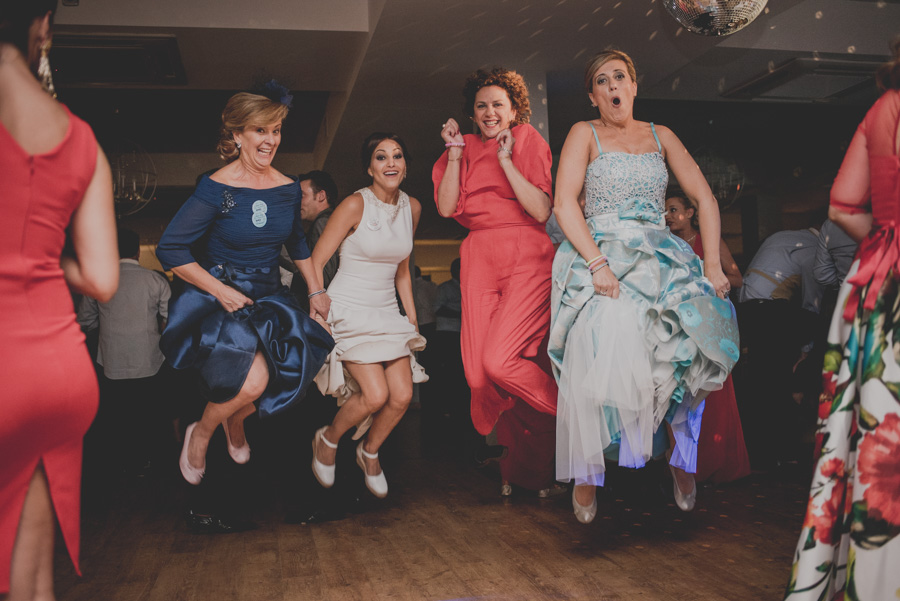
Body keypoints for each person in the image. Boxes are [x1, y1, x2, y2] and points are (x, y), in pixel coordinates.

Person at [549, 50, 739, 524]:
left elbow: (704, 198)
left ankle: (682, 457)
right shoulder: (583, 133)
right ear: (593, 96)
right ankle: (588, 469)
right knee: (600, 339)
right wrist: (596, 264)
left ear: (633, 86)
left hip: (660, 257)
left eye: (620, 77)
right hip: (603, 255)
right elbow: (564, 204)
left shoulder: (661, 135)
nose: (612, 85)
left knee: (687, 346)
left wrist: (711, 264)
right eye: (602, 80)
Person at [155, 87, 334, 485]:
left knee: (295, 371)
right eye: (260, 130)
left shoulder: (288, 187)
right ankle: (202, 432)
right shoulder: (216, 188)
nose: (271, 140)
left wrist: (316, 290)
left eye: (276, 130)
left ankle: (233, 422)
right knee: (253, 381)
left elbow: (297, 243)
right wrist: (220, 291)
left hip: (269, 295)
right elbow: (170, 248)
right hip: (225, 296)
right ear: (237, 135)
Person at [0, 2, 119, 596]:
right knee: (31, 585)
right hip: (56, 373)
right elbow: (102, 278)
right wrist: (42, 260)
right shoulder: (82, 139)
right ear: (42, 23)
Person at [784, 38, 900, 600]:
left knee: (878, 434)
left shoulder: (884, 108)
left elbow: (842, 206)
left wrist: (886, 240)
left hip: (881, 280)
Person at [433, 67, 559, 497]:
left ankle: (574, 412)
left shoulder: (526, 139)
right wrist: (454, 154)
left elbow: (540, 210)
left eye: (498, 105)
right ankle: (525, 449)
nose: (490, 112)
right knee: (477, 378)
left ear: (513, 110)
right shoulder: (464, 147)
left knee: (500, 363)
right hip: (478, 254)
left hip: (526, 251)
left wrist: (505, 159)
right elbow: (447, 208)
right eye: (482, 106)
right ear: (472, 113)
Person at [312, 132, 426, 499]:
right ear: (369, 168)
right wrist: (317, 306)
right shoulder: (354, 205)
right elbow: (316, 261)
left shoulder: (413, 207)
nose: (390, 162)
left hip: (387, 312)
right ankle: (328, 439)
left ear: (405, 165)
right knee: (375, 395)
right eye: (381, 156)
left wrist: (411, 318)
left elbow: (402, 269)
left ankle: (370, 451)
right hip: (349, 308)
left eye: (397, 155)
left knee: (402, 396)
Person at [664, 195, 750, 483]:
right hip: (679, 324)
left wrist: (704, 275)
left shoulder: (709, 242)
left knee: (712, 391)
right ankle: (684, 467)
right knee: (682, 390)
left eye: (673, 210)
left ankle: (714, 462)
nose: (667, 215)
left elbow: (736, 278)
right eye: (665, 210)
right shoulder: (665, 244)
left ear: (690, 212)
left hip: (709, 322)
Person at [77, 228, 172, 475]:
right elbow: (169, 320)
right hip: (149, 360)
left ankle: (122, 464)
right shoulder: (155, 280)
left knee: (118, 415)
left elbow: (85, 321)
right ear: (138, 251)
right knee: (149, 414)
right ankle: (150, 461)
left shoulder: (99, 282)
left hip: (111, 360)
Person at [736, 227, 824, 469]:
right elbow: (813, 300)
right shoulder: (814, 248)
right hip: (770, 312)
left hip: (747, 308)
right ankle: (785, 452)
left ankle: (761, 452)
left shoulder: (783, 236)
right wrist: (806, 349)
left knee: (761, 380)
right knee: (778, 380)